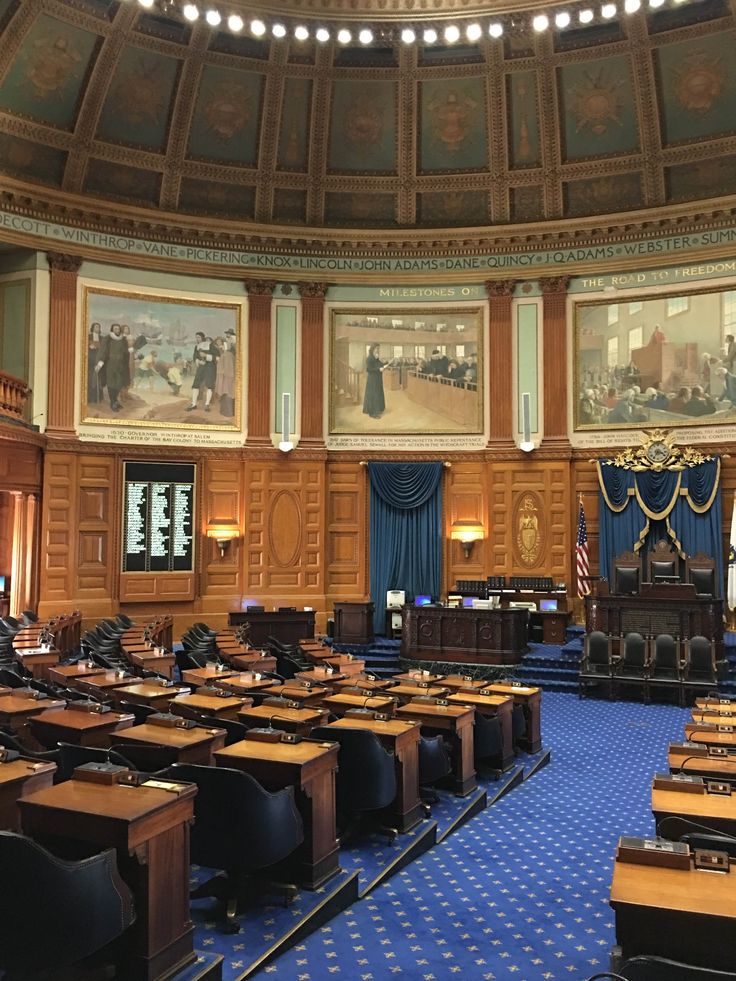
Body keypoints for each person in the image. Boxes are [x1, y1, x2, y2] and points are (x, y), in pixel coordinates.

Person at [95, 323, 129, 412]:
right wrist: (100, 363)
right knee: (111, 383)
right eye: (114, 329)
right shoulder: (107, 339)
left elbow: (126, 353)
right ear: (112, 330)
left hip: (120, 365)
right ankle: (113, 402)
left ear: (119, 330)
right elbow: (103, 351)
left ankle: (115, 400)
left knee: (119, 383)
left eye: (118, 329)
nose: (116, 330)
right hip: (110, 364)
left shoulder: (123, 340)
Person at [187, 332, 219, 412]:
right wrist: (198, 361)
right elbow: (195, 356)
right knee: (196, 385)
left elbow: (217, 357)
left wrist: (206, 356)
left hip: (210, 367)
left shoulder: (210, 345)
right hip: (201, 367)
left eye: (198, 337)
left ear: (203, 338)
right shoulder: (196, 347)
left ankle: (207, 404)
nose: (197, 339)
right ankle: (193, 404)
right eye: (196, 337)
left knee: (209, 385)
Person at [362, 343, 392, 419]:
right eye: (377, 349)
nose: (378, 350)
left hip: (377, 378)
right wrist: (378, 369)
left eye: (378, 349)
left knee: (378, 393)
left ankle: (378, 409)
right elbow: (368, 369)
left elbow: (380, 364)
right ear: (372, 349)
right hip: (372, 379)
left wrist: (387, 363)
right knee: (374, 395)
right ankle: (373, 413)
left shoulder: (375, 357)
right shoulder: (369, 358)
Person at [214, 335, 235, 417]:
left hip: (227, 378)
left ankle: (227, 412)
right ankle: (227, 412)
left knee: (227, 393)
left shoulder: (227, 355)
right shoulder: (226, 355)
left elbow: (228, 370)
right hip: (226, 378)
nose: (220, 347)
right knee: (227, 393)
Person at [87, 323, 103, 403]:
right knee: (90, 379)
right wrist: (89, 347)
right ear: (92, 328)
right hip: (90, 361)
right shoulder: (88, 337)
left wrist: (100, 363)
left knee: (99, 379)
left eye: (99, 327)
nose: (97, 328)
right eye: (96, 327)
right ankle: (90, 398)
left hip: (99, 360)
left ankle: (98, 398)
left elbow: (104, 350)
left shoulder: (101, 338)